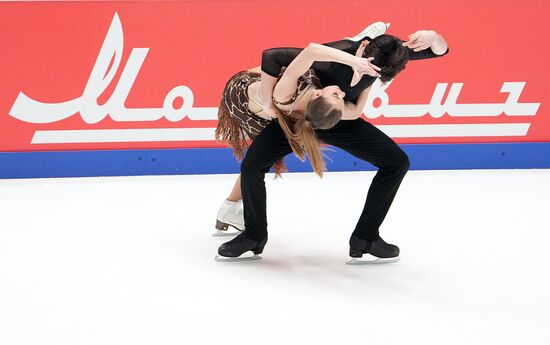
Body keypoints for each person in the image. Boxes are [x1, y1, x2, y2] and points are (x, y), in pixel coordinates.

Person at [216, 23, 449, 263]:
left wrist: (434, 36)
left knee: (397, 162)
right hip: (300, 115)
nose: (368, 73)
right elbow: (276, 56)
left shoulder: (388, 54)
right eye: (367, 66)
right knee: (252, 167)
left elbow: (440, 50)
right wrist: (353, 62)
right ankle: (254, 236)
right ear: (363, 48)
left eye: (374, 74)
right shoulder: (336, 55)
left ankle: (365, 238)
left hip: (339, 117)